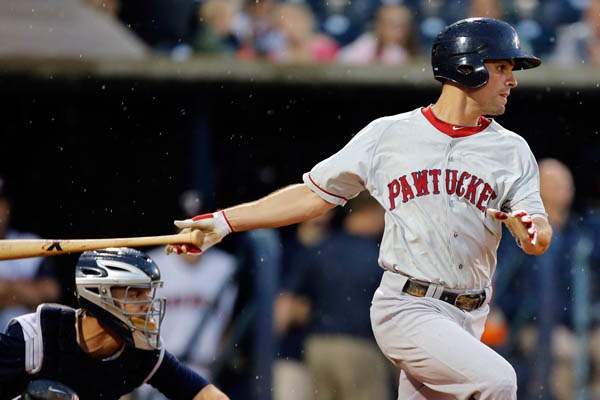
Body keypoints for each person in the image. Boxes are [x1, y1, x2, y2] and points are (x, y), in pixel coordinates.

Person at [168, 17, 553, 399]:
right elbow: (312, 195)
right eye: (502, 68)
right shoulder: (390, 134)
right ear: (466, 67)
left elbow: (539, 231)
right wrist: (224, 221)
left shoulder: (512, 150)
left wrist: (532, 231)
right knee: (498, 381)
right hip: (408, 306)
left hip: (470, 314)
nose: (512, 80)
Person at [0, 247, 229, 400]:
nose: (148, 305)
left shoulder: (140, 352)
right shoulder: (35, 336)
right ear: (100, 297)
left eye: (148, 294)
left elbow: (203, 394)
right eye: (135, 294)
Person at [285, 193, 391, 400]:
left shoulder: (321, 248)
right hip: (359, 348)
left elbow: (292, 305)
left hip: (318, 347)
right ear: (372, 211)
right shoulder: (379, 257)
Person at [0, 177, 60, 330]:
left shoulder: (29, 242)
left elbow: (52, 294)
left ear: (7, 206)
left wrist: (9, 289)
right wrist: (25, 289)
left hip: (22, 338)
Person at [338, 3, 417, 65]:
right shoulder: (367, 43)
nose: (398, 32)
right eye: (392, 25)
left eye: (402, 27)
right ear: (380, 26)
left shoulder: (409, 51)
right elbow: (342, 59)